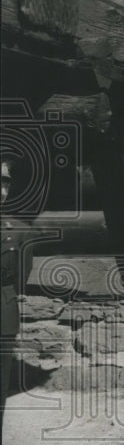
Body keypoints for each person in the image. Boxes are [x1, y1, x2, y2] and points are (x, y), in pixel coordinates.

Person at [1, 158, 34, 420]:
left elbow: (20, 279)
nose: (1, 189)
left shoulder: (21, 233)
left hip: (4, 314)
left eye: (5, 182)